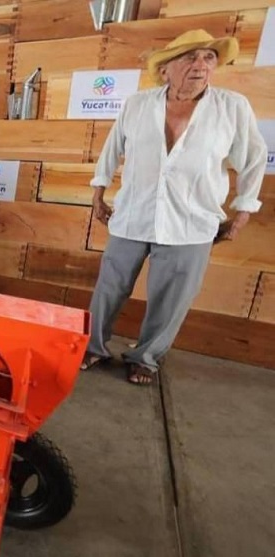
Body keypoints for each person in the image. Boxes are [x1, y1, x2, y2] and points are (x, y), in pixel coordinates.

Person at [82, 30, 267, 385]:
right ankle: (93, 346)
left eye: (209, 58)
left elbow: (255, 160)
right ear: (165, 69)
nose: (200, 65)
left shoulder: (232, 107)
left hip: (192, 220)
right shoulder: (137, 104)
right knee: (110, 287)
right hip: (133, 212)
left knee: (172, 298)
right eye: (189, 57)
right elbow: (112, 149)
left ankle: (145, 358)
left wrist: (243, 211)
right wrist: (98, 192)